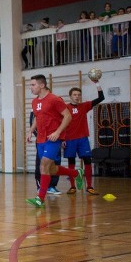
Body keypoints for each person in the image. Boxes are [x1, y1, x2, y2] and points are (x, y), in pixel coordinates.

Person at [25, 75, 83, 208]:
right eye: (30, 85)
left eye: (33, 85)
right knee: (50, 169)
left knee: (43, 166)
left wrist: (57, 132)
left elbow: (67, 116)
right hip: (41, 139)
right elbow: (37, 118)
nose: (30, 88)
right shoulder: (34, 102)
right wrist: (30, 131)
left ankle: (40, 199)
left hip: (53, 138)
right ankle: (75, 173)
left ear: (42, 85)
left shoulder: (54, 99)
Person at [63, 80, 105, 194]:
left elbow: (101, 98)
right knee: (71, 162)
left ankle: (90, 186)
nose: (77, 97)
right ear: (70, 96)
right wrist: (62, 139)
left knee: (87, 160)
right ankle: (72, 187)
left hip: (82, 139)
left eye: (79, 95)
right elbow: (59, 123)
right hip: (69, 139)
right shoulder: (65, 108)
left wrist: (97, 83)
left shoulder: (84, 106)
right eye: (75, 95)